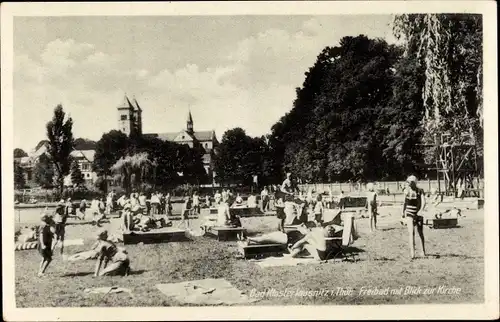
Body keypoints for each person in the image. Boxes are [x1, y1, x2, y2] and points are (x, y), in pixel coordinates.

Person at [402, 175, 426, 259]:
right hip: (409, 213)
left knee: (420, 233)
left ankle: (423, 251)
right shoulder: (406, 191)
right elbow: (404, 203)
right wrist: (402, 213)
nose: (410, 184)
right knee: (411, 232)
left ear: (415, 183)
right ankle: (412, 253)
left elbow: (423, 202)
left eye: (411, 183)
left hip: (418, 213)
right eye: (409, 182)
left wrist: (421, 210)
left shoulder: (420, 191)